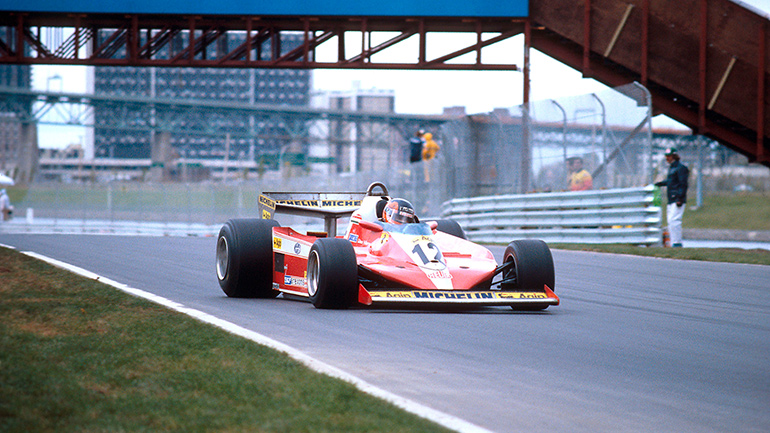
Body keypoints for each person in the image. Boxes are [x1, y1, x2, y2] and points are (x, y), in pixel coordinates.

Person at [655, 147, 689, 247]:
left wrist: (680, 198)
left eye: (669, 156)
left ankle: (677, 243)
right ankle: (674, 242)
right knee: (671, 221)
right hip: (671, 198)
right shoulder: (672, 168)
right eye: (666, 156)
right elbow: (670, 182)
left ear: (674, 156)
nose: (667, 158)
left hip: (677, 198)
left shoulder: (681, 168)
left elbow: (683, 184)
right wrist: (659, 184)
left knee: (675, 221)